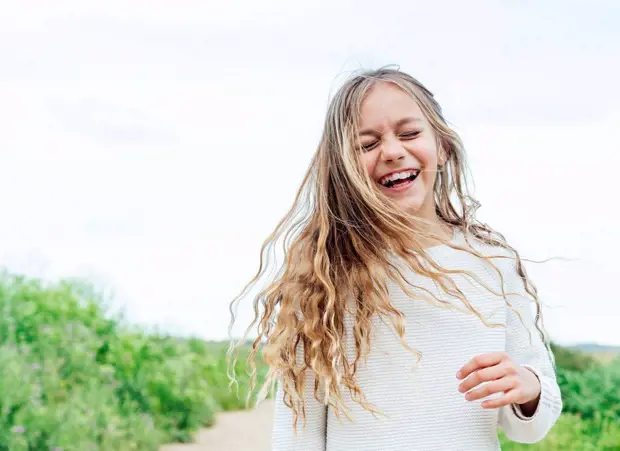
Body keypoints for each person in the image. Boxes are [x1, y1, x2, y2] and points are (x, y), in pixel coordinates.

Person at [228, 67, 563, 451]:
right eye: (367, 144)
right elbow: (297, 432)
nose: (391, 151)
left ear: (443, 147)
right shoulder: (325, 275)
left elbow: (530, 426)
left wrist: (528, 387)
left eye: (409, 134)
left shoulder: (493, 262)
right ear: (344, 168)